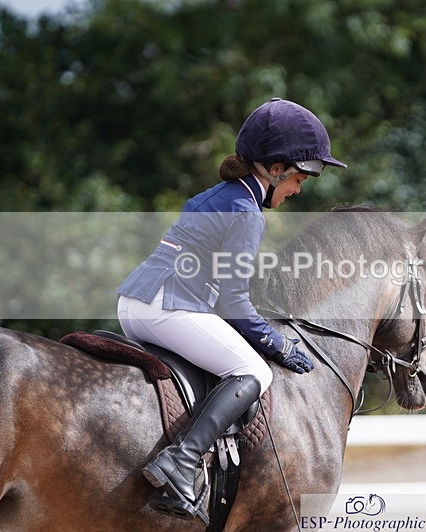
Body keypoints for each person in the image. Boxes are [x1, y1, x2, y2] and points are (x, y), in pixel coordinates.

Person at [116, 98, 346, 520]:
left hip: (135, 303)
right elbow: (234, 301)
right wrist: (274, 342)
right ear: (275, 169)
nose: (298, 189)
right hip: (168, 307)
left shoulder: (219, 195)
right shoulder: (245, 212)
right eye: (299, 178)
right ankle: (182, 461)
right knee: (253, 371)